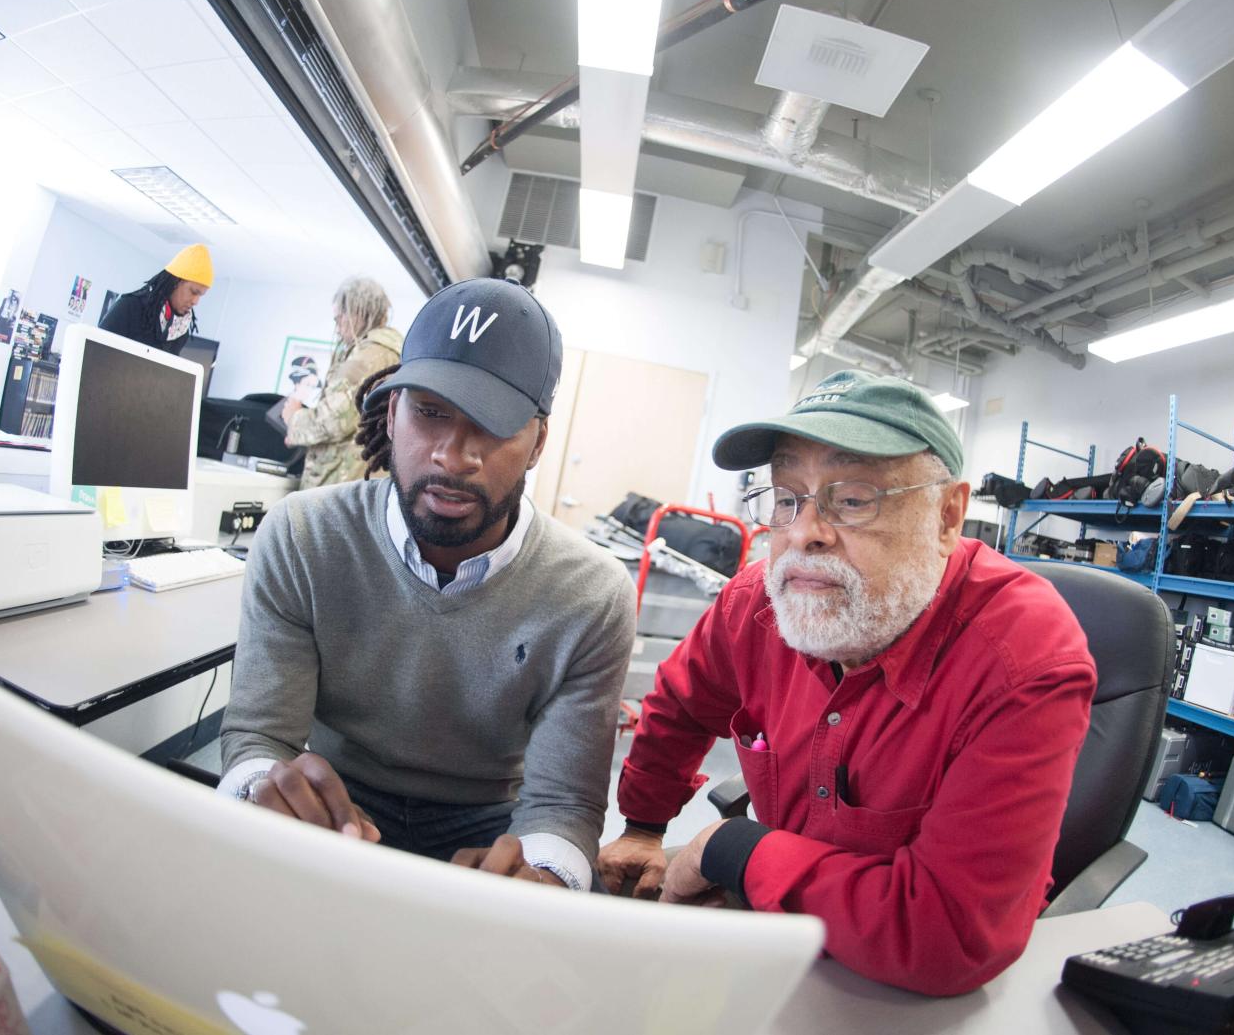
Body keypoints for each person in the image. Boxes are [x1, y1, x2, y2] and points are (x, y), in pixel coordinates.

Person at [596, 370, 1096, 996]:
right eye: (787, 498)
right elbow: (680, 708)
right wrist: (642, 826)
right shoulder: (755, 605)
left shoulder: (1024, 659)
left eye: (853, 498)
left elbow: (949, 936)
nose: (804, 531)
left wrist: (737, 851)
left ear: (947, 516)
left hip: (902, 995)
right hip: (783, 932)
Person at [218, 277, 637, 891]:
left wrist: (545, 871)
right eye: (430, 412)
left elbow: (563, 805)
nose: (452, 454)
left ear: (538, 443)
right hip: (336, 798)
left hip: (493, 824)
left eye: (491, 426)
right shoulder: (302, 536)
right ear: (391, 414)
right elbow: (259, 734)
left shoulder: (591, 594)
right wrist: (265, 786)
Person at [282, 277, 403, 490]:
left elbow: (332, 420)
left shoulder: (368, 357)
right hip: (364, 483)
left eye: (339, 319)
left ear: (357, 314)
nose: (337, 328)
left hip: (338, 485)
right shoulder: (392, 354)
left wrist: (294, 419)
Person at [97, 244, 212, 356]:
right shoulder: (130, 307)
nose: (196, 301)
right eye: (193, 292)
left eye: (200, 295)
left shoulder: (180, 331)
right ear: (175, 282)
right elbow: (94, 351)